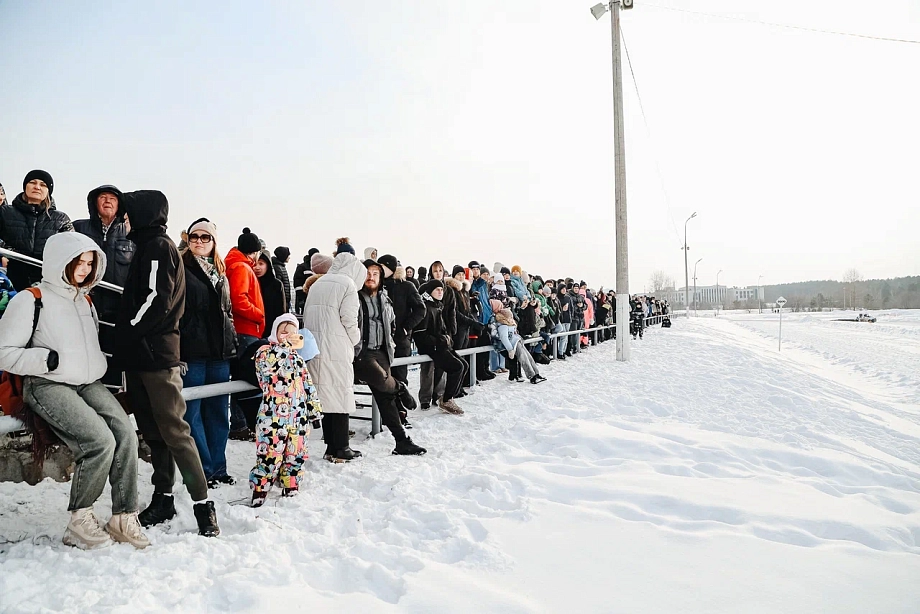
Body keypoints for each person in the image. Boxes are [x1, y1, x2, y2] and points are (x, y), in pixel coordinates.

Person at [0, 232, 148, 549]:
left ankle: (123, 516)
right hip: (47, 382)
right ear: (59, 262)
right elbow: (3, 351)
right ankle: (79, 520)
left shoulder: (86, 301)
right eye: (77, 262)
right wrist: (45, 360)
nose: (84, 269)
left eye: (89, 263)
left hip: (86, 382)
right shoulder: (31, 298)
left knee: (126, 433)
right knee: (99, 441)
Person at [115, 190, 219, 537]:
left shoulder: (159, 247)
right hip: (141, 356)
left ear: (141, 214)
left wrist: (126, 331)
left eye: (127, 213)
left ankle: (203, 505)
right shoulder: (147, 247)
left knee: (174, 430)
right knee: (153, 432)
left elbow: (153, 300)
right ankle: (163, 496)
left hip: (157, 356)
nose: (123, 219)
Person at [178, 218, 237, 488]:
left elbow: (227, 312)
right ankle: (203, 469)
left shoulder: (220, 272)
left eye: (205, 237)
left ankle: (219, 467)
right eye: (194, 236)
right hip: (192, 351)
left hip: (219, 352)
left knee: (218, 413)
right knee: (192, 413)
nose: (199, 241)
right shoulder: (180, 266)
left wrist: (232, 343)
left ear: (214, 242)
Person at [353, 260, 427, 455]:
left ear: (381, 277)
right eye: (367, 273)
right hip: (362, 352)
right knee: (382, 381)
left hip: (382, 351)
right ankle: (400, 387)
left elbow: (392, 322)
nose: (371, 277)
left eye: (375, 273)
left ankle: (402, 441)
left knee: (385, 399)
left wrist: (392, 342)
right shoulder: (354, 297)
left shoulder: (385, 298)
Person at [249, 314, 323, 506]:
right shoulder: (265, 352)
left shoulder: (298, 359)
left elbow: (308, 384)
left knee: (295, 453)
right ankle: (260, 488)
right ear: (275, 332)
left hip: (298, 417)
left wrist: (314, 409)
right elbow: (268, 368)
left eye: (293, 333)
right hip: (272, 417)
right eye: (284, 332)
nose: (288, 336)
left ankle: (291, 484)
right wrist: (284, 347)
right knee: (270, 454)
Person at [303, 251, 367, 462]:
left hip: (315, 347)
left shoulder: (318, 284)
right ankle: (341, 447)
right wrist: (355, 339)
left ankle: (330, 444)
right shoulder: (347, 285)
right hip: (337, 346)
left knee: (325, 395)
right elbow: (350, 319)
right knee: (340, 394)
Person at [73, 185, 134, 385]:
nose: (107, 201)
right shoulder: (79, 228)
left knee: (114, 359)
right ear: (94, 203)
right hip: (84, 305)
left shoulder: (131, 233)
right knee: (83, 356)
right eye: (103, 197)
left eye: (113, 198)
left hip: (118, 309)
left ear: (120, 205)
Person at [0, 170, 74, 290]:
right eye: (32, 182)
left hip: (47, 282)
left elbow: (71, 250)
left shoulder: (61, 219)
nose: (37, 187)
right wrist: (7, 252)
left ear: (48, 191)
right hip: (10, 279)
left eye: (43, 185)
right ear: (25, 186)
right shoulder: (5, 212)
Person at [414, 279, 466, 415]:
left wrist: (446, 338)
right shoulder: (426, 307)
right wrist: (441, 340)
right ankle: (446, 399)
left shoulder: (437, 306)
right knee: (457, 367)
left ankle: (447, 397)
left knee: (464, 365)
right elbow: (420, 335)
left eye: (442, 289)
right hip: (433, 348)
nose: (441, 292)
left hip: (441, 345)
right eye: (437, 289)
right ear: (430, 292)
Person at [377, 254, 425, 387]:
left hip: (400, 338)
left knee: (400, 375)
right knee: (382, 377)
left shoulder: (407, 286)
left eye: (382, 267)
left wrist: (406, 327)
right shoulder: (377, 286)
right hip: (379, 339)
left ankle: (401, 404)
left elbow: (420, 309)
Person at [225, 228, 266, 353]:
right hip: (246, 329)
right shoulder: (242, 267)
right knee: (246, 370)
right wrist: (259, 315)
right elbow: (238, 300)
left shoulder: (236, 265)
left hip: (242, 328)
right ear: (256, 251)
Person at [495, 308, 546, 384]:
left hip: (518, 342)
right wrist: (510, 349)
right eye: (510, 317)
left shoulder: (510, 325)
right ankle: (532, 376)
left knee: (529, 357)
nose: (511, 319)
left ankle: (536, 373)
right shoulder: (503, 327)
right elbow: (504, 338)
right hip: (513, 345)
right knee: (524, 359)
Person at [255, 249, 287, 331]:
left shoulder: (276, 284)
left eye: (261, 263)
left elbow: (281, 310)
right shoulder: (250, 282)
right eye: (254, 264)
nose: (257, 267)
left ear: (268, 265)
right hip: (254, 328)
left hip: (271, 329)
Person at [292, 248, 318, 314]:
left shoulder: (316, 267)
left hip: (314, 299)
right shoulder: (302, 267)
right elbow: (297, 284)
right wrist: (301, 298)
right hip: (304, 298)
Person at [271, 246, 294, 311]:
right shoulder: (277, 268)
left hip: (285, 300)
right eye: (288, 255)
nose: (289, 257)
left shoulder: (281, 266)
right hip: (281, 301)